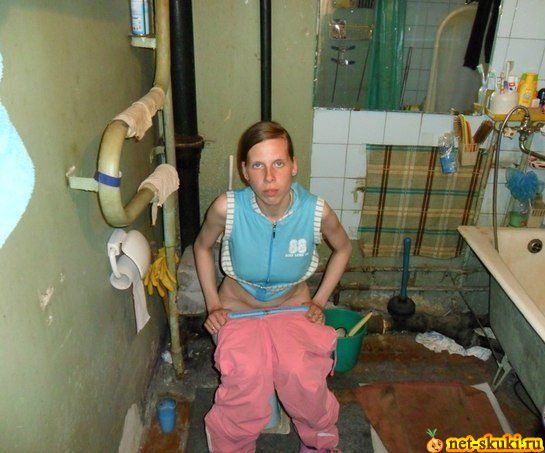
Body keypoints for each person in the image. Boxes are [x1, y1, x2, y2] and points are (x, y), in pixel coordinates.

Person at [194, 121, 352, 453]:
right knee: (246, 378)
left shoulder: (315, 211)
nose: (269, 177)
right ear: (244, 171)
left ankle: (320, 444)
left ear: (294, 165)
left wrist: (320, 301)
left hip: (292, 308)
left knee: (303, 376)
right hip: (237, 311)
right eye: (258, 165)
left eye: (278, 163)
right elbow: (201, 247)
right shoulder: (227, 208)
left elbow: (343, 248)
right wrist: (213, 305)